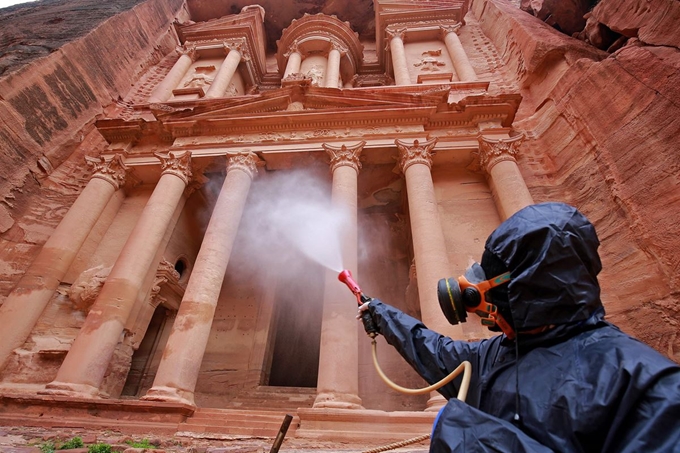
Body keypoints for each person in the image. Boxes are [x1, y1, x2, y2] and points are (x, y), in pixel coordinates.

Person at [358, 202, 680, 452]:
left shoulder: (647, 386)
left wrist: (472, 440)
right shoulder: (498, 352)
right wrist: (382, 314)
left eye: (489, 284)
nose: (475, 297)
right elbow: (434, 351)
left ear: (530, 289)